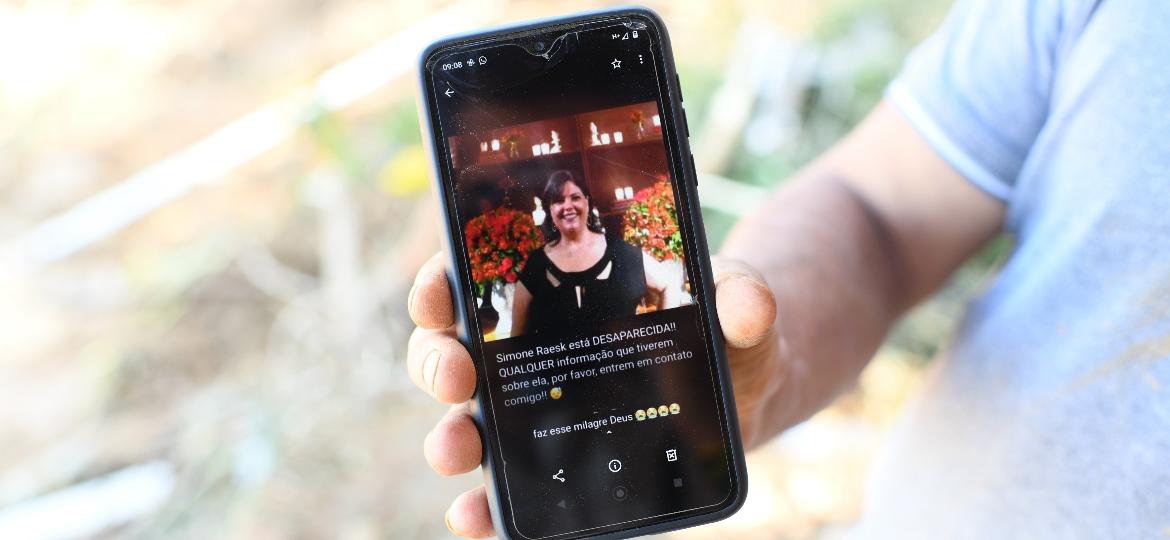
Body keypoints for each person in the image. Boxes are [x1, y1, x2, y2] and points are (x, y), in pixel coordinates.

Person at [406, 1, 1170, 537]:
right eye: (561, 196)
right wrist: (763, 366)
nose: (571, 204)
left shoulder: (632, 252)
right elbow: (876, 210)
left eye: (579, 192)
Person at [511, 170, 682, 336]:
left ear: (587, 202)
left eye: (575, 198)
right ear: (550, 209)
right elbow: (516, 340)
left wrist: (661, 338)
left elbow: (669, 286)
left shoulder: (619, 252)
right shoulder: (537, 263)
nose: (568, 206)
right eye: (558, 200)